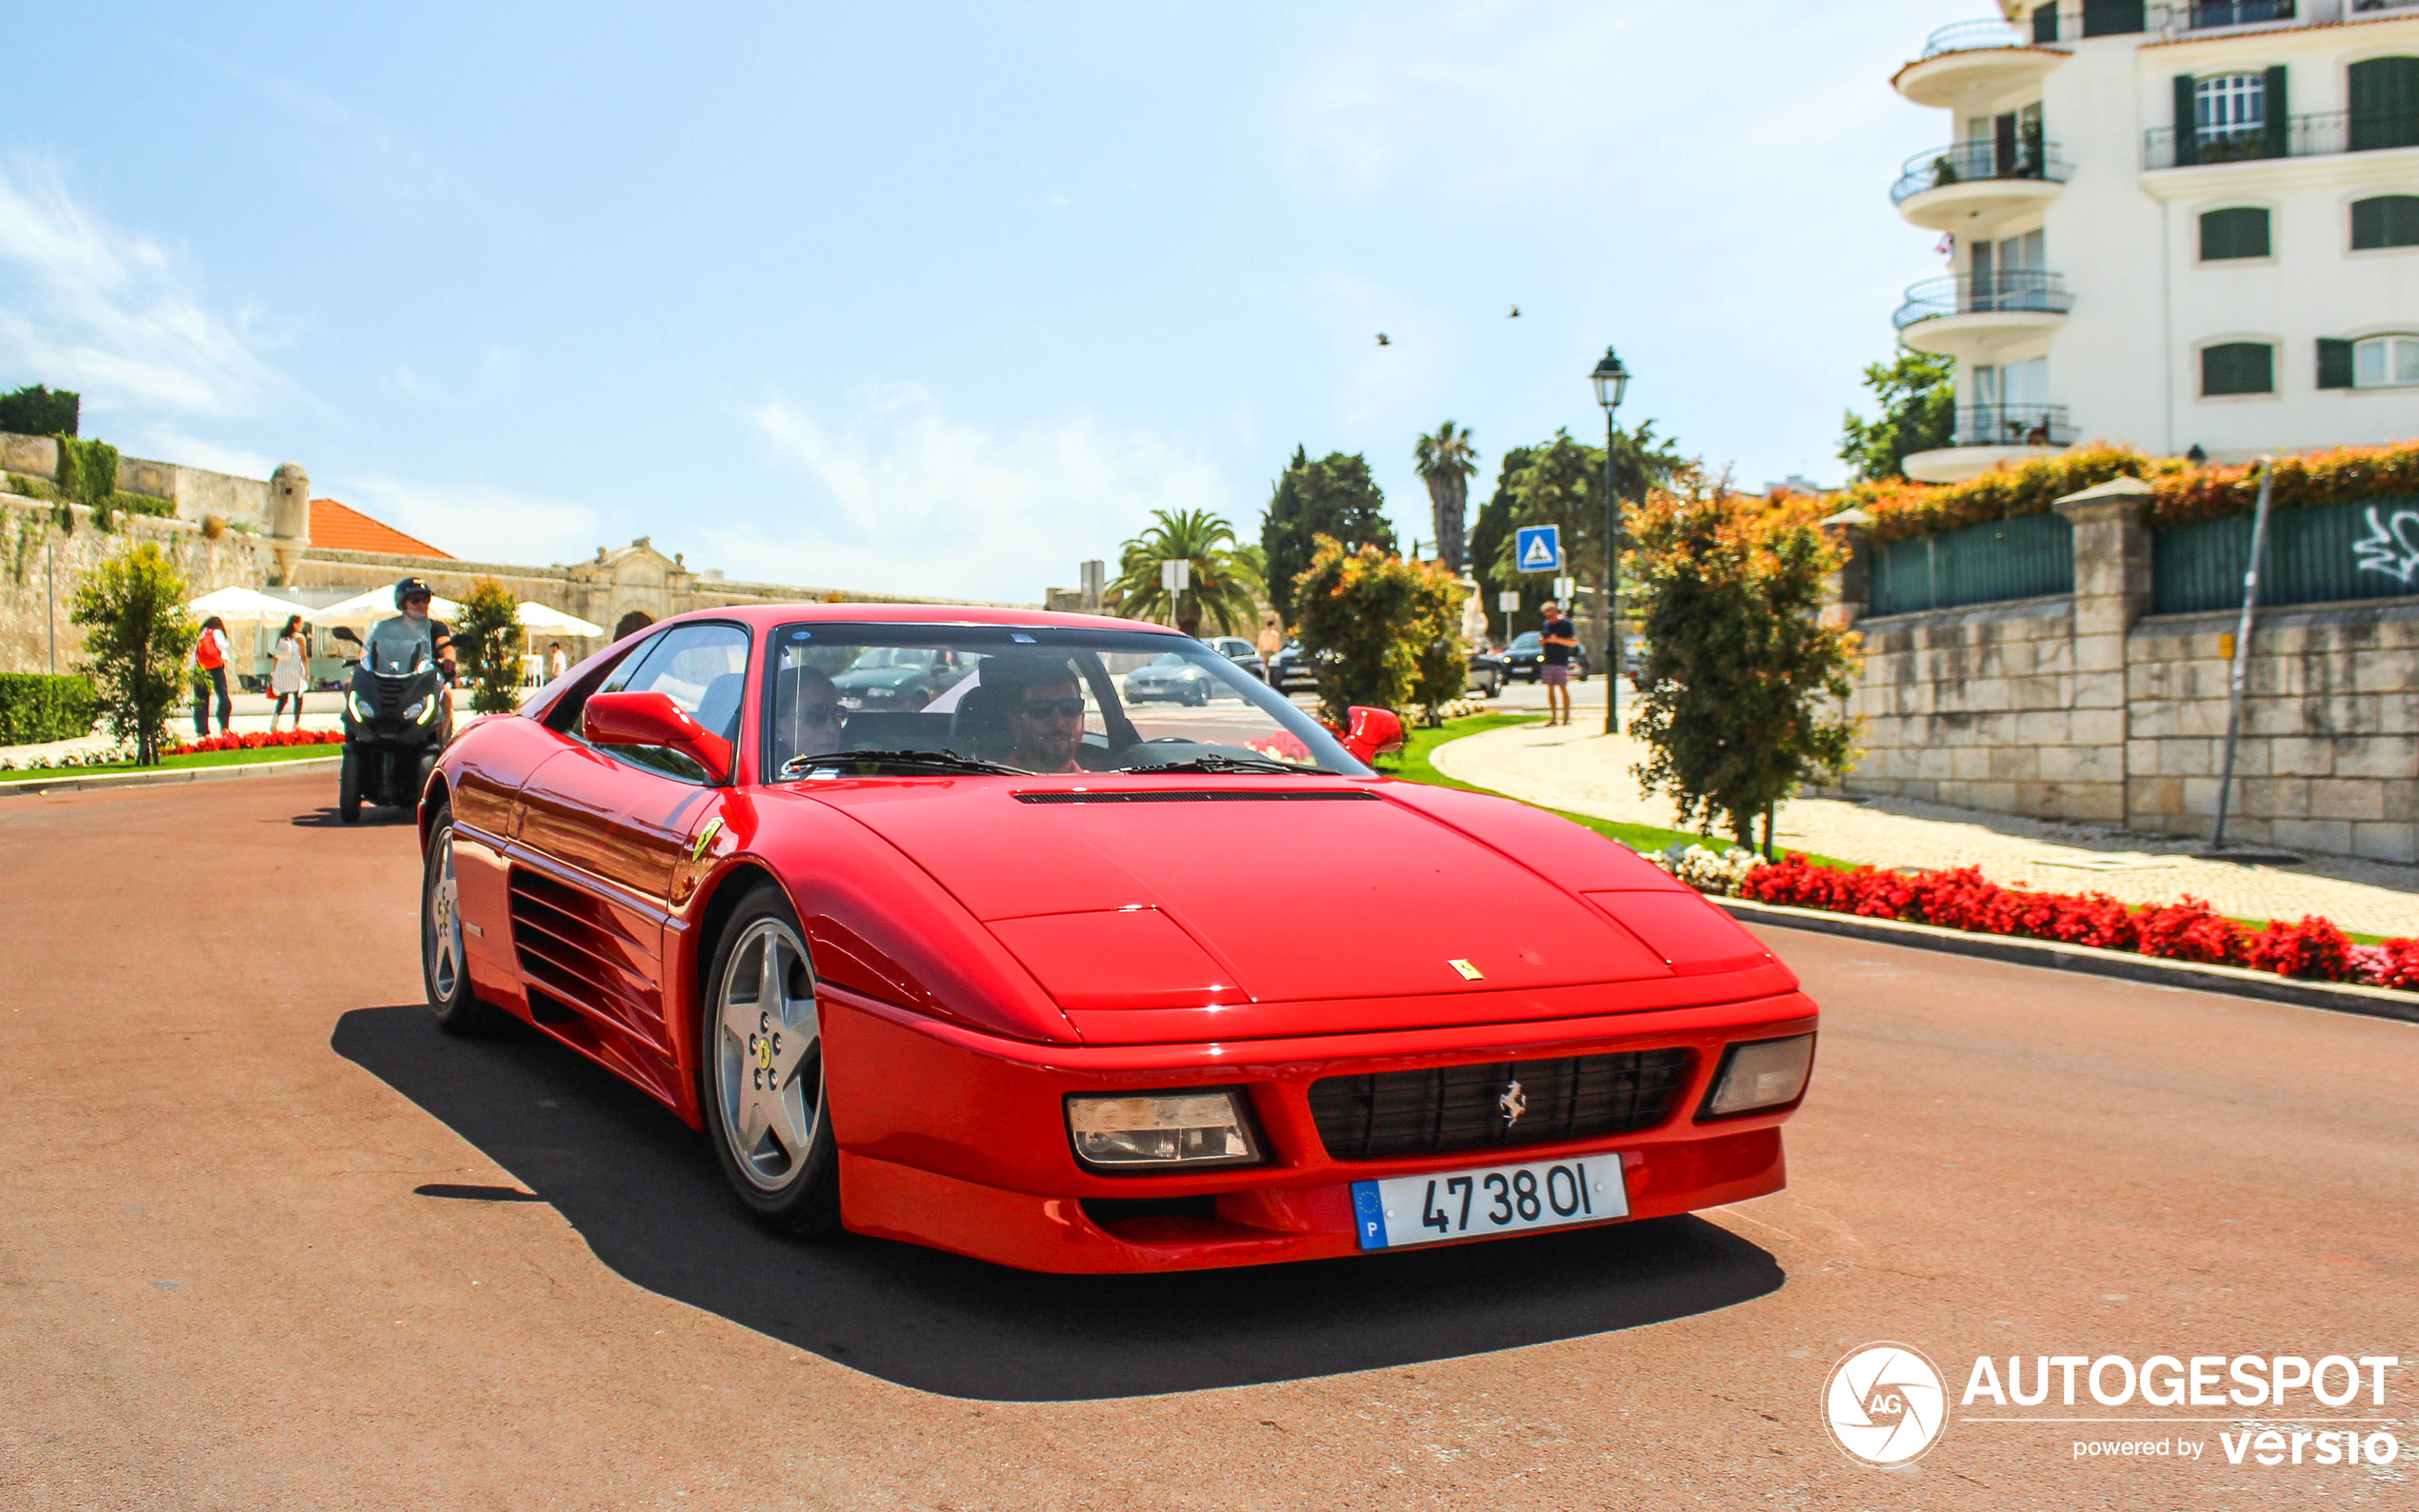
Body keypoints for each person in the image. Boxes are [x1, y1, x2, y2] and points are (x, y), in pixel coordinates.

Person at [981, 656, 1091, 773]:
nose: (1058, 722)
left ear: (1082, 721)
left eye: (1070, 707)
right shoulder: (988, 783)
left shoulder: (1103, 781)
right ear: (1016, 724)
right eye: (1041, 709)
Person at [1539, 601, 1578, 726]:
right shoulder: (1546, 625)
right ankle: (1553, 717)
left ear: (1556, 612)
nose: (1549, 619)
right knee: (1550, 689)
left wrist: (1557, 640)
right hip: (1548, 660)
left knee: (1563, 687)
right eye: (1546, 616)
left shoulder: (1566, 624)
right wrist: (1544, 641)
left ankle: (1566, 717)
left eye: (1550, 616)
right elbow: (1543, 639)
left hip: (1561, 661)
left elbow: (1572, 642)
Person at [191, 615, 232, 736]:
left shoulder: (200, 634)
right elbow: (221, 645)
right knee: (222, 696)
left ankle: (201, 729)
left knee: (201, 699)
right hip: (215, 668)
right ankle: (224, 726)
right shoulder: (216, 632)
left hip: (200, 668)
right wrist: (227, 643)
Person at [270, 614, 308, 729]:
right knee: (298, 696)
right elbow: (304, 655)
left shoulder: (281, 637)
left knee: (283, 697)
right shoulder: (299, 638)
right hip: (294, 667)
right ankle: (296, 723)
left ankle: (275, 719)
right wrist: (307, 671)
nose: (302, 626)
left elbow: (276, 656)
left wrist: (274, 671)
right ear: (295, 624)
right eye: (301, 623)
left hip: (282, 668)